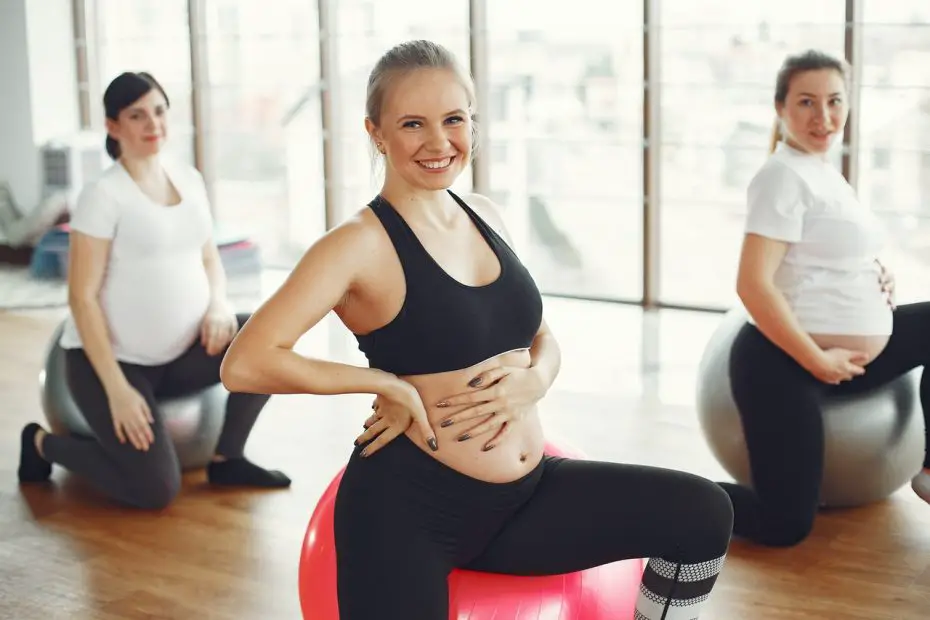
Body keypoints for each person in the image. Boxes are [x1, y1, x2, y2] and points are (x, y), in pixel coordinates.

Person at [220, 40, 733, 619]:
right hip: (409, 511)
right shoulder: (357, 244)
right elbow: (246, 363)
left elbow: (542, 336)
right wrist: (386, 384)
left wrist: (536, 381)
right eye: (413, 123)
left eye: (454, 120)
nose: (439, 143)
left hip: (528, 494)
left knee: (701, 514)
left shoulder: (485, 214)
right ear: (376, 132)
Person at [17, 71, 291, 509]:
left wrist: (219, 304)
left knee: (267, 337)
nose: (153, 125)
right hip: (109, 365)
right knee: (154, 490)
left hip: (181, 354)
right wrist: (116, 388)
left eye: (160, 111)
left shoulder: (189, 178)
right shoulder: (103, 195)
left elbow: (208, 259)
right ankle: (41, 445)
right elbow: (81, 297)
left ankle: (228, 458)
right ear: (113, 126)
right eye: (137, 115)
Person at [720, 48, 930, 548]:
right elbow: (752, 284)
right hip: (781, 364)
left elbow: (824, 254)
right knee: (783, 525)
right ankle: (665, 496)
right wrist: (816, 359)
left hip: (843, 359)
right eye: (807, 103)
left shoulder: (821, 170)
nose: (824, 117)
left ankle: (929, 467)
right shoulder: (782, 176)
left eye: (835, 101)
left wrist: (874, 278)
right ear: (781, 109)